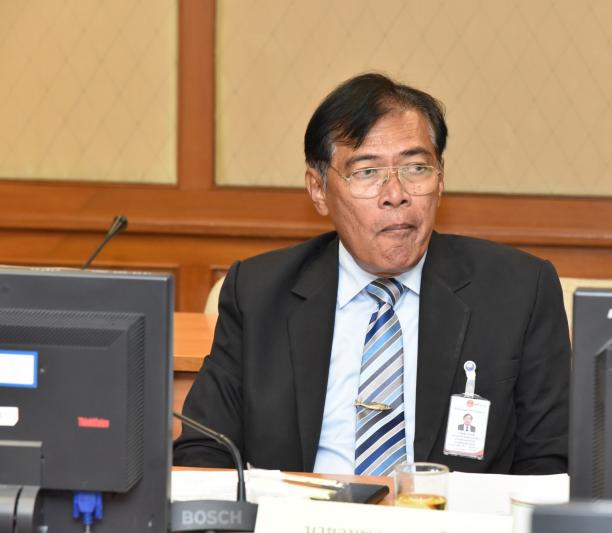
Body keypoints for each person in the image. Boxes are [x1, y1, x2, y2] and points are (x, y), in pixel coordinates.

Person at [174, 73, 570, 476]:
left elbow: (551, 463)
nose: (395, 194)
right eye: (366, 172)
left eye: (416, 168)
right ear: (318, 189)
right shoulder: (258, 294)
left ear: (440, 179)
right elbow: (204, 448)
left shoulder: (519, 291)